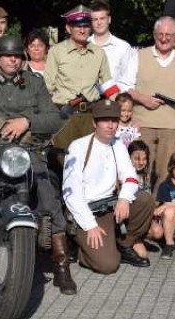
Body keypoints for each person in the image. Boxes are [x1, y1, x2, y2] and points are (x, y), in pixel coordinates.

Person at [0, 36, 76, 294]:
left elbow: (53, 120)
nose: (13, 59)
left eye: (18, 55)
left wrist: (27, 122)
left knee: (46, 190)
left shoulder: (34, 83)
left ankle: (61, 265)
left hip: (25, 151)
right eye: (8, 55)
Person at [62, 99, 155, 275]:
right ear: (94, 123)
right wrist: (90, 225)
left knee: (145, 200)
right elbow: (70, 192)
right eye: (105, 120)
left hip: (111, 208)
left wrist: (124, 198)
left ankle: (124, 243)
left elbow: (130, 176)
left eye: (114, 120)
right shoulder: (78, 147)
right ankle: (81, 248)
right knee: (108, 265)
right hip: (87, 213)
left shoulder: (117, 145)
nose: (110, 125)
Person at [124, 16, 175, 189]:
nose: (164, 38)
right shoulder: (139, 56)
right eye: (160, 34)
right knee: (140, 170)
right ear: (154, 35)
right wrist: (143, 99)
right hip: (142, 125)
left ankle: (159, 210)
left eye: (169, 35)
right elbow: (124, 86)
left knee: (167, 173)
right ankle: (141, 209)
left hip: (172, 127)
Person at [46, 5, 112, 151]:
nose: (82, 30)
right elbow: (47, 88)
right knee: (63, 159)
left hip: (90, 116)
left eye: (86, 25)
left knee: (90, 160)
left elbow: (109, 86)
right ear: (69, 28)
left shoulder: (99, 53)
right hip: (64, 115)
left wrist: (115, 113)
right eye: (77, 26)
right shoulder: (56, 52)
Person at [88, 0, 133, 88]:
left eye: (102, 18)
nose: (99, 22)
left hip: (114, 99)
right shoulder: (83, 45)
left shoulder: (123, 47)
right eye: (95, 19)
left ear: (109, 19)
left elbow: (129, 81)